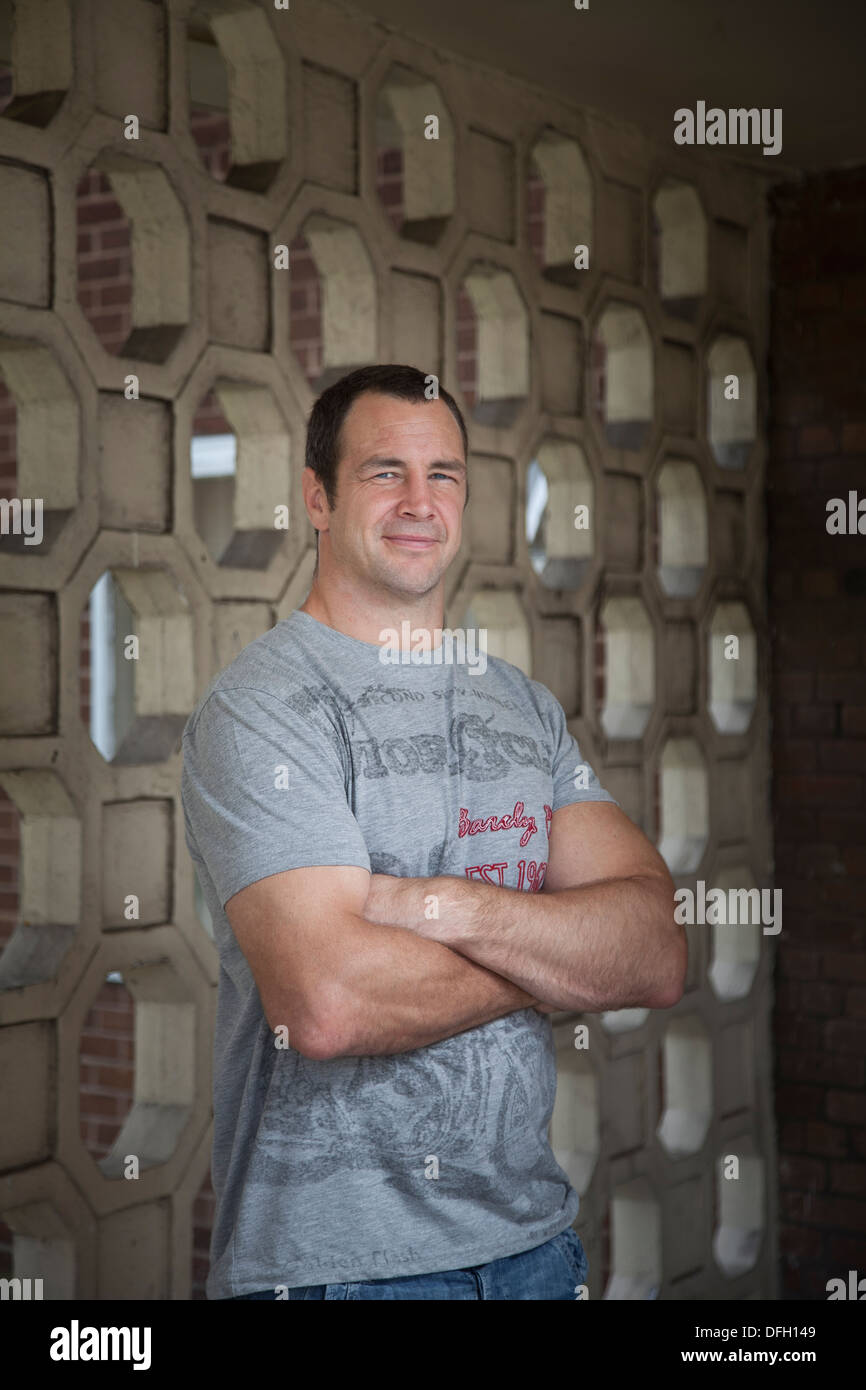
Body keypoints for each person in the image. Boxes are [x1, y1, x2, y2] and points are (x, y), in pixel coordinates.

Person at [181, 363, 685, 1301]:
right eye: (385, 473)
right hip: (342, 1274)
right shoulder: (263, 711)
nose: (420, 501)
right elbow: (329, 1005)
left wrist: (438, 905)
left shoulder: (521, 709)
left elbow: (654, 952)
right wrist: (553, 954)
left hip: (537, 1251)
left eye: (443, 475)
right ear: (318, 498)